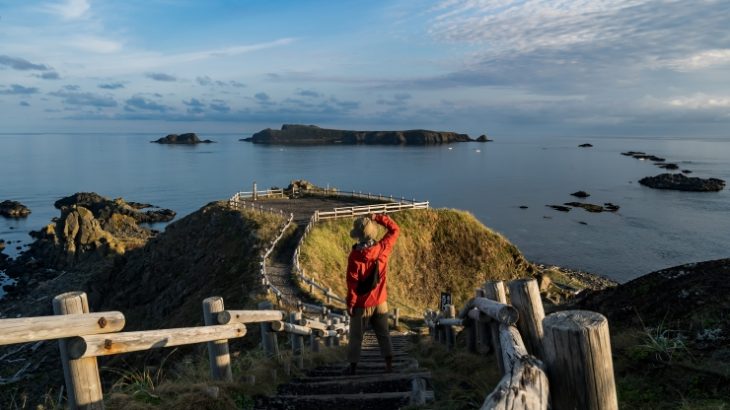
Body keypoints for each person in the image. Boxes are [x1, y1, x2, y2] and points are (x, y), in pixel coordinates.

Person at [345, 212, 400, 375]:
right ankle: (389, 366)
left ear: (358, 236)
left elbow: (352, 285)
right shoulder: (383, 248)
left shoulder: (355, 257)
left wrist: (351, 304)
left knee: (356, 337)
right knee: (384, 334)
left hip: (362, 304)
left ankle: (353, 367)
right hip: (381, 302)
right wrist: (377, 217)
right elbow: (394, 229)